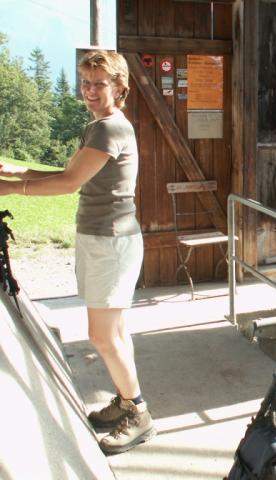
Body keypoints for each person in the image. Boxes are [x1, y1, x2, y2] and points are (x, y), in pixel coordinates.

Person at [0, 50, 155, 455]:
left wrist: (12, 188)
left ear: (119, 88)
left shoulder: (108, 129)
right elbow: (76, 175)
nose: (89, 90)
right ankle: (125, 399)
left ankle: (139, 414)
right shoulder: (99, 125)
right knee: (115, 333)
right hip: (104, 239)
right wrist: (21, 172)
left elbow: (69, 183)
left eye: (99, 84)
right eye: (85, 82)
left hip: (110, 242)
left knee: (102, 336)